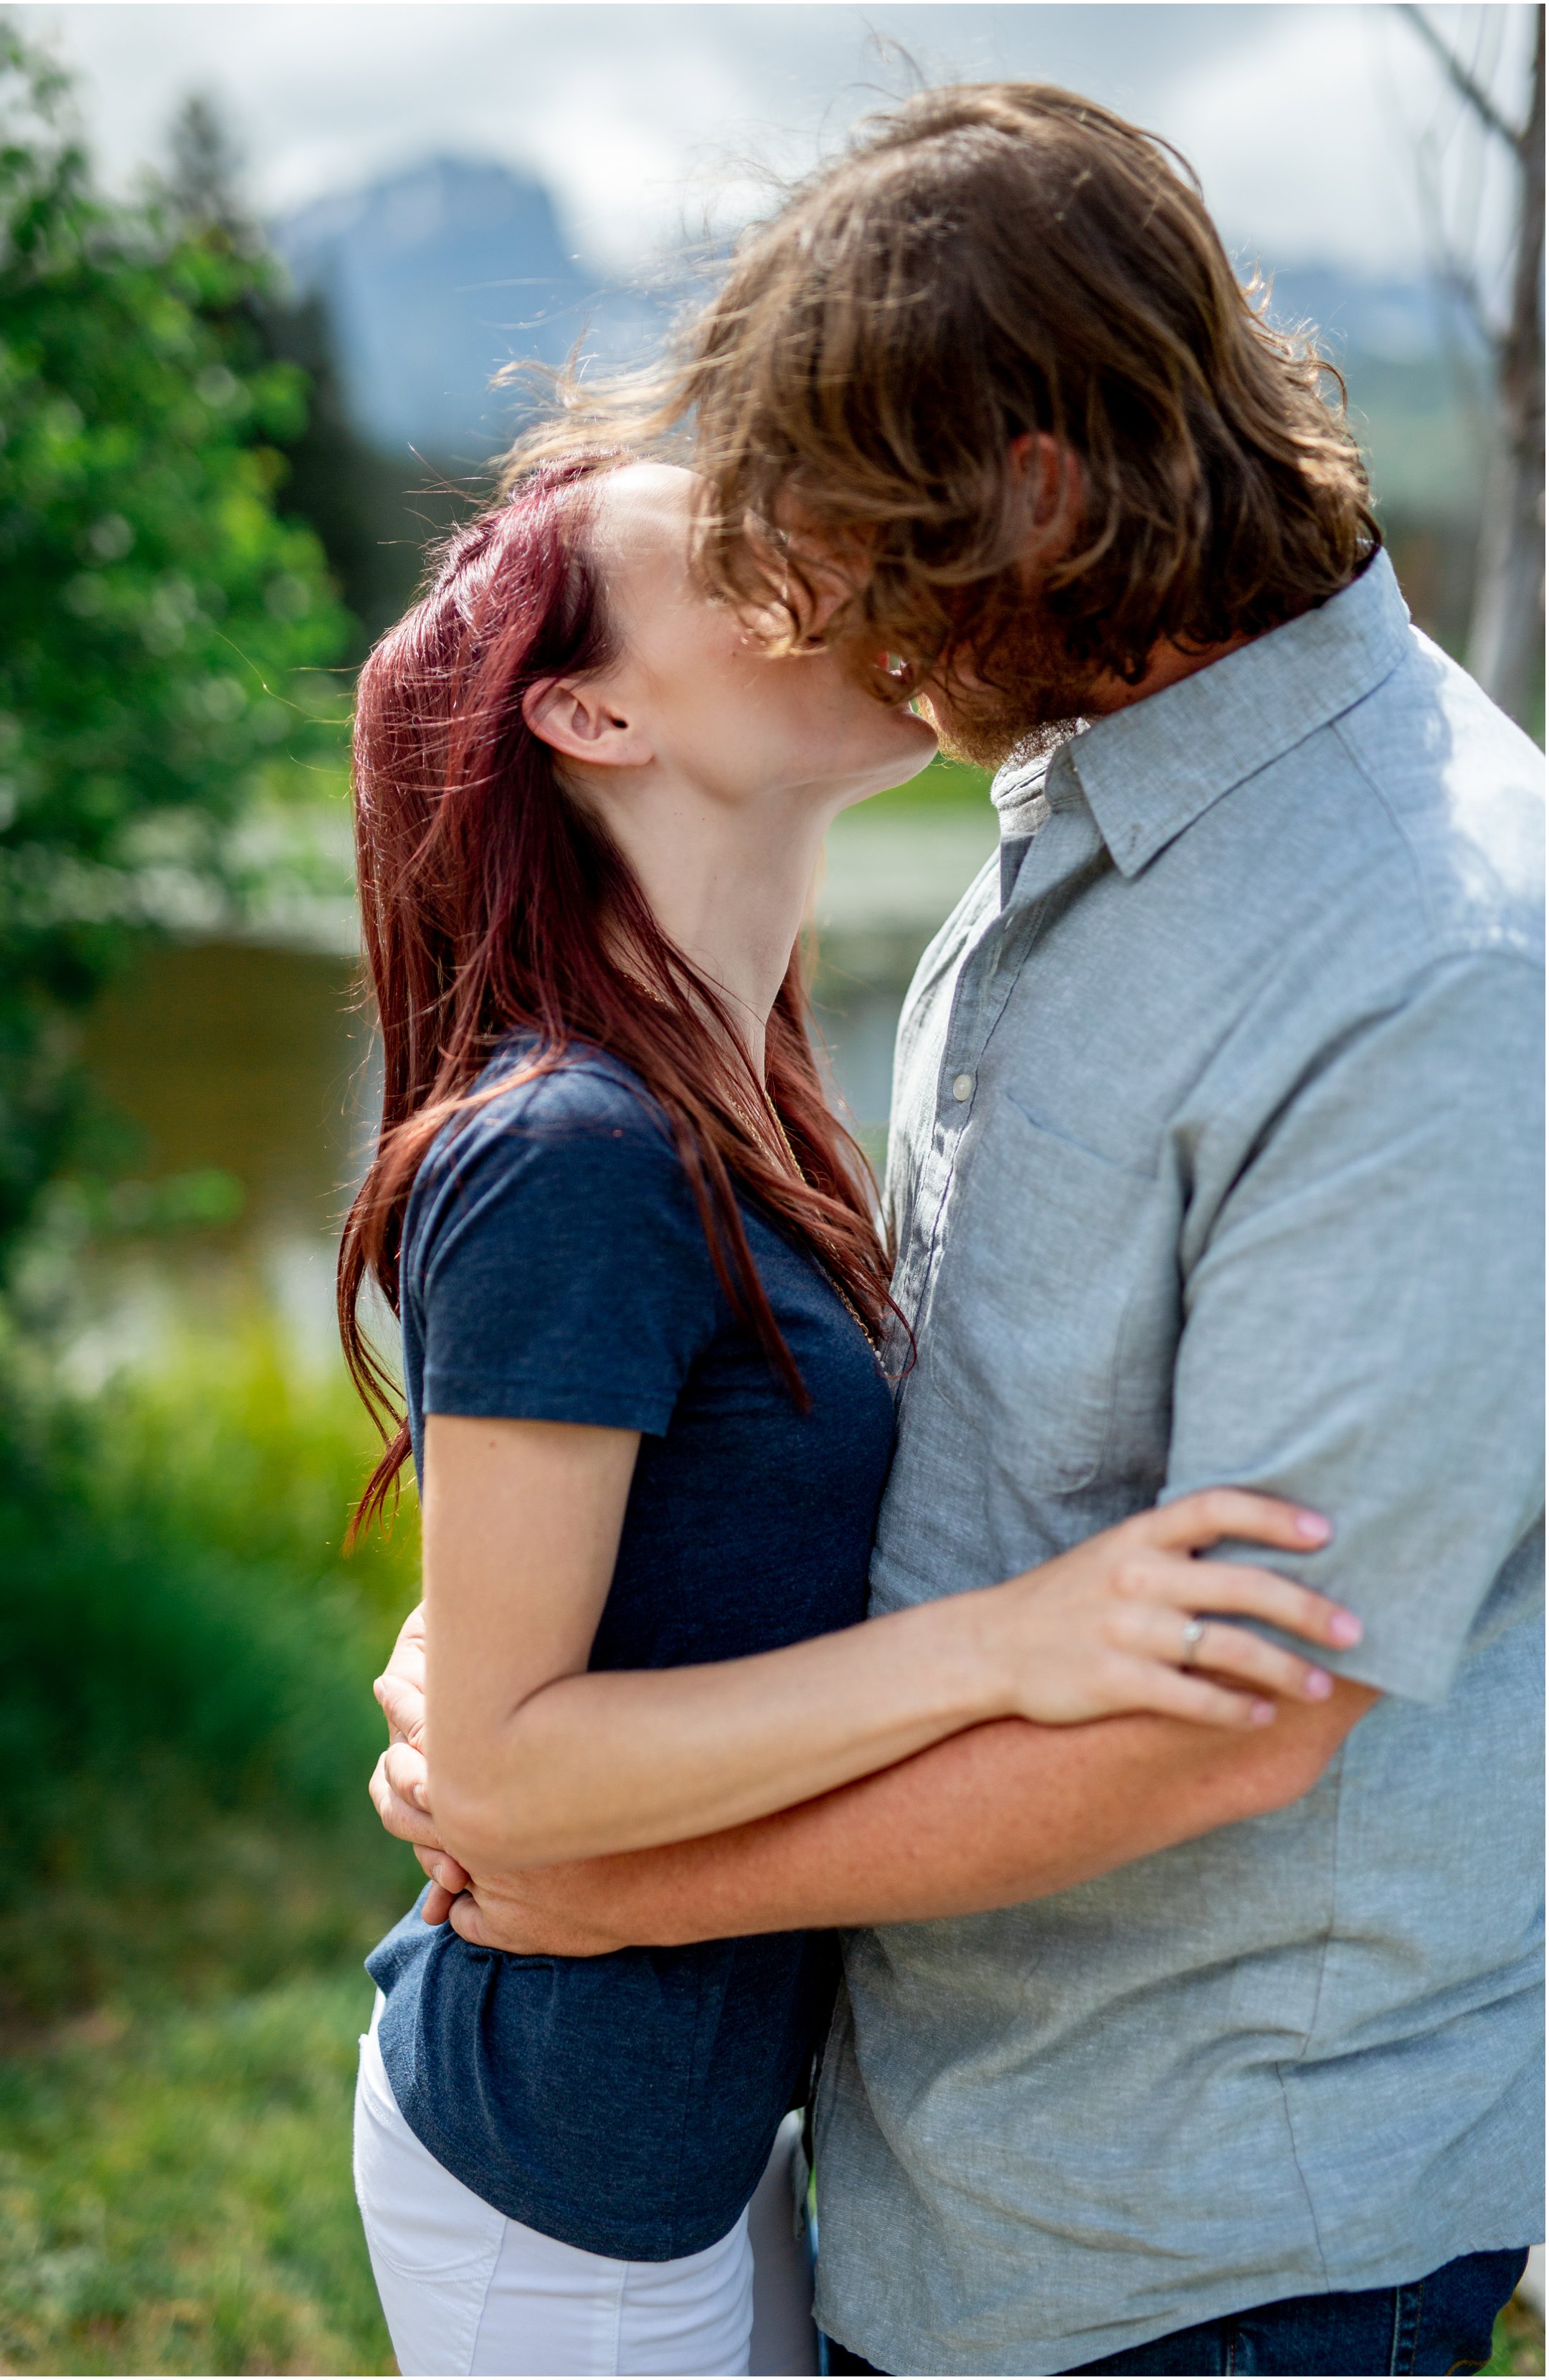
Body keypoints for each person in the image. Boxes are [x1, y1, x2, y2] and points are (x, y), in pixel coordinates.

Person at [371, 82, 1545, 2379]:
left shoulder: (1435, 962)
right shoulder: (1081, 786)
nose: (808, 597)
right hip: (926, 2175)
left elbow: (1233, 1728)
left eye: (840, 536)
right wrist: (497, 1698)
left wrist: (601, 1878)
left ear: (1035, 496)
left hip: (1213, 2242)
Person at [338, 447, 1357, 2380]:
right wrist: (1016, 1648)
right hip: (565, 2160)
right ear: (592, 711)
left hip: (726, 2133)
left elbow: (588, 1633)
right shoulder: (567, 1151)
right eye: (744, 553)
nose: (842, 573)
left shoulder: (751, 1111)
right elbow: (507, 1765)